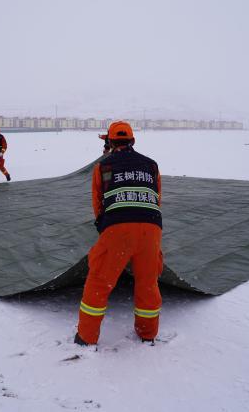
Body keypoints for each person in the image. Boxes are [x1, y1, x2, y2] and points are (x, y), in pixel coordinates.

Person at [75, 121, 163, 346]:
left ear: (110, 142)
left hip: (118, 228)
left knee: (99, 282)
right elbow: (157, 198)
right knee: (148, 282)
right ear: (132, 141)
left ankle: (86, 337)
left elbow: (98, 202)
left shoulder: (103, 167)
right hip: (151, 228)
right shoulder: (152, 165)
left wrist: (104, 226)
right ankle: (147, 333)